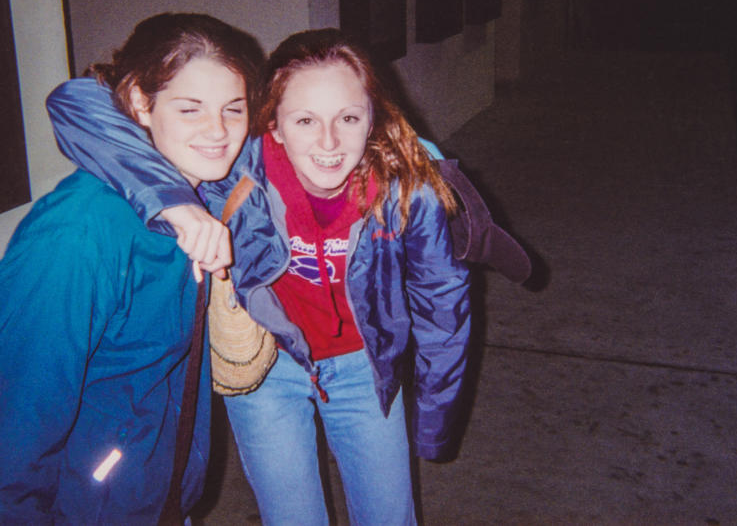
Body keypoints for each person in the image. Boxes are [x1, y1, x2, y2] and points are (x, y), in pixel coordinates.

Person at [46, 28, 472, 525]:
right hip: (268, 371)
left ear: (372, 118)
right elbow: (75, 102)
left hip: (364, 368)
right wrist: (172, 203)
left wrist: (436, 418)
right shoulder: (234, 169)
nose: (330, 142)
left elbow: (442, 301)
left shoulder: (405, 188)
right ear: (273, 123)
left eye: (349, 118)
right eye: (306, 119)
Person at [0, 12, 264, 523]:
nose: (219, 131)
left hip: (157, 494)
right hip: (90, 509)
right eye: (190, 109)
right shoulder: (78, 233)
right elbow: (11, 422)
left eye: (234, 109)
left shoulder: (204, 194)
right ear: (141, 104)